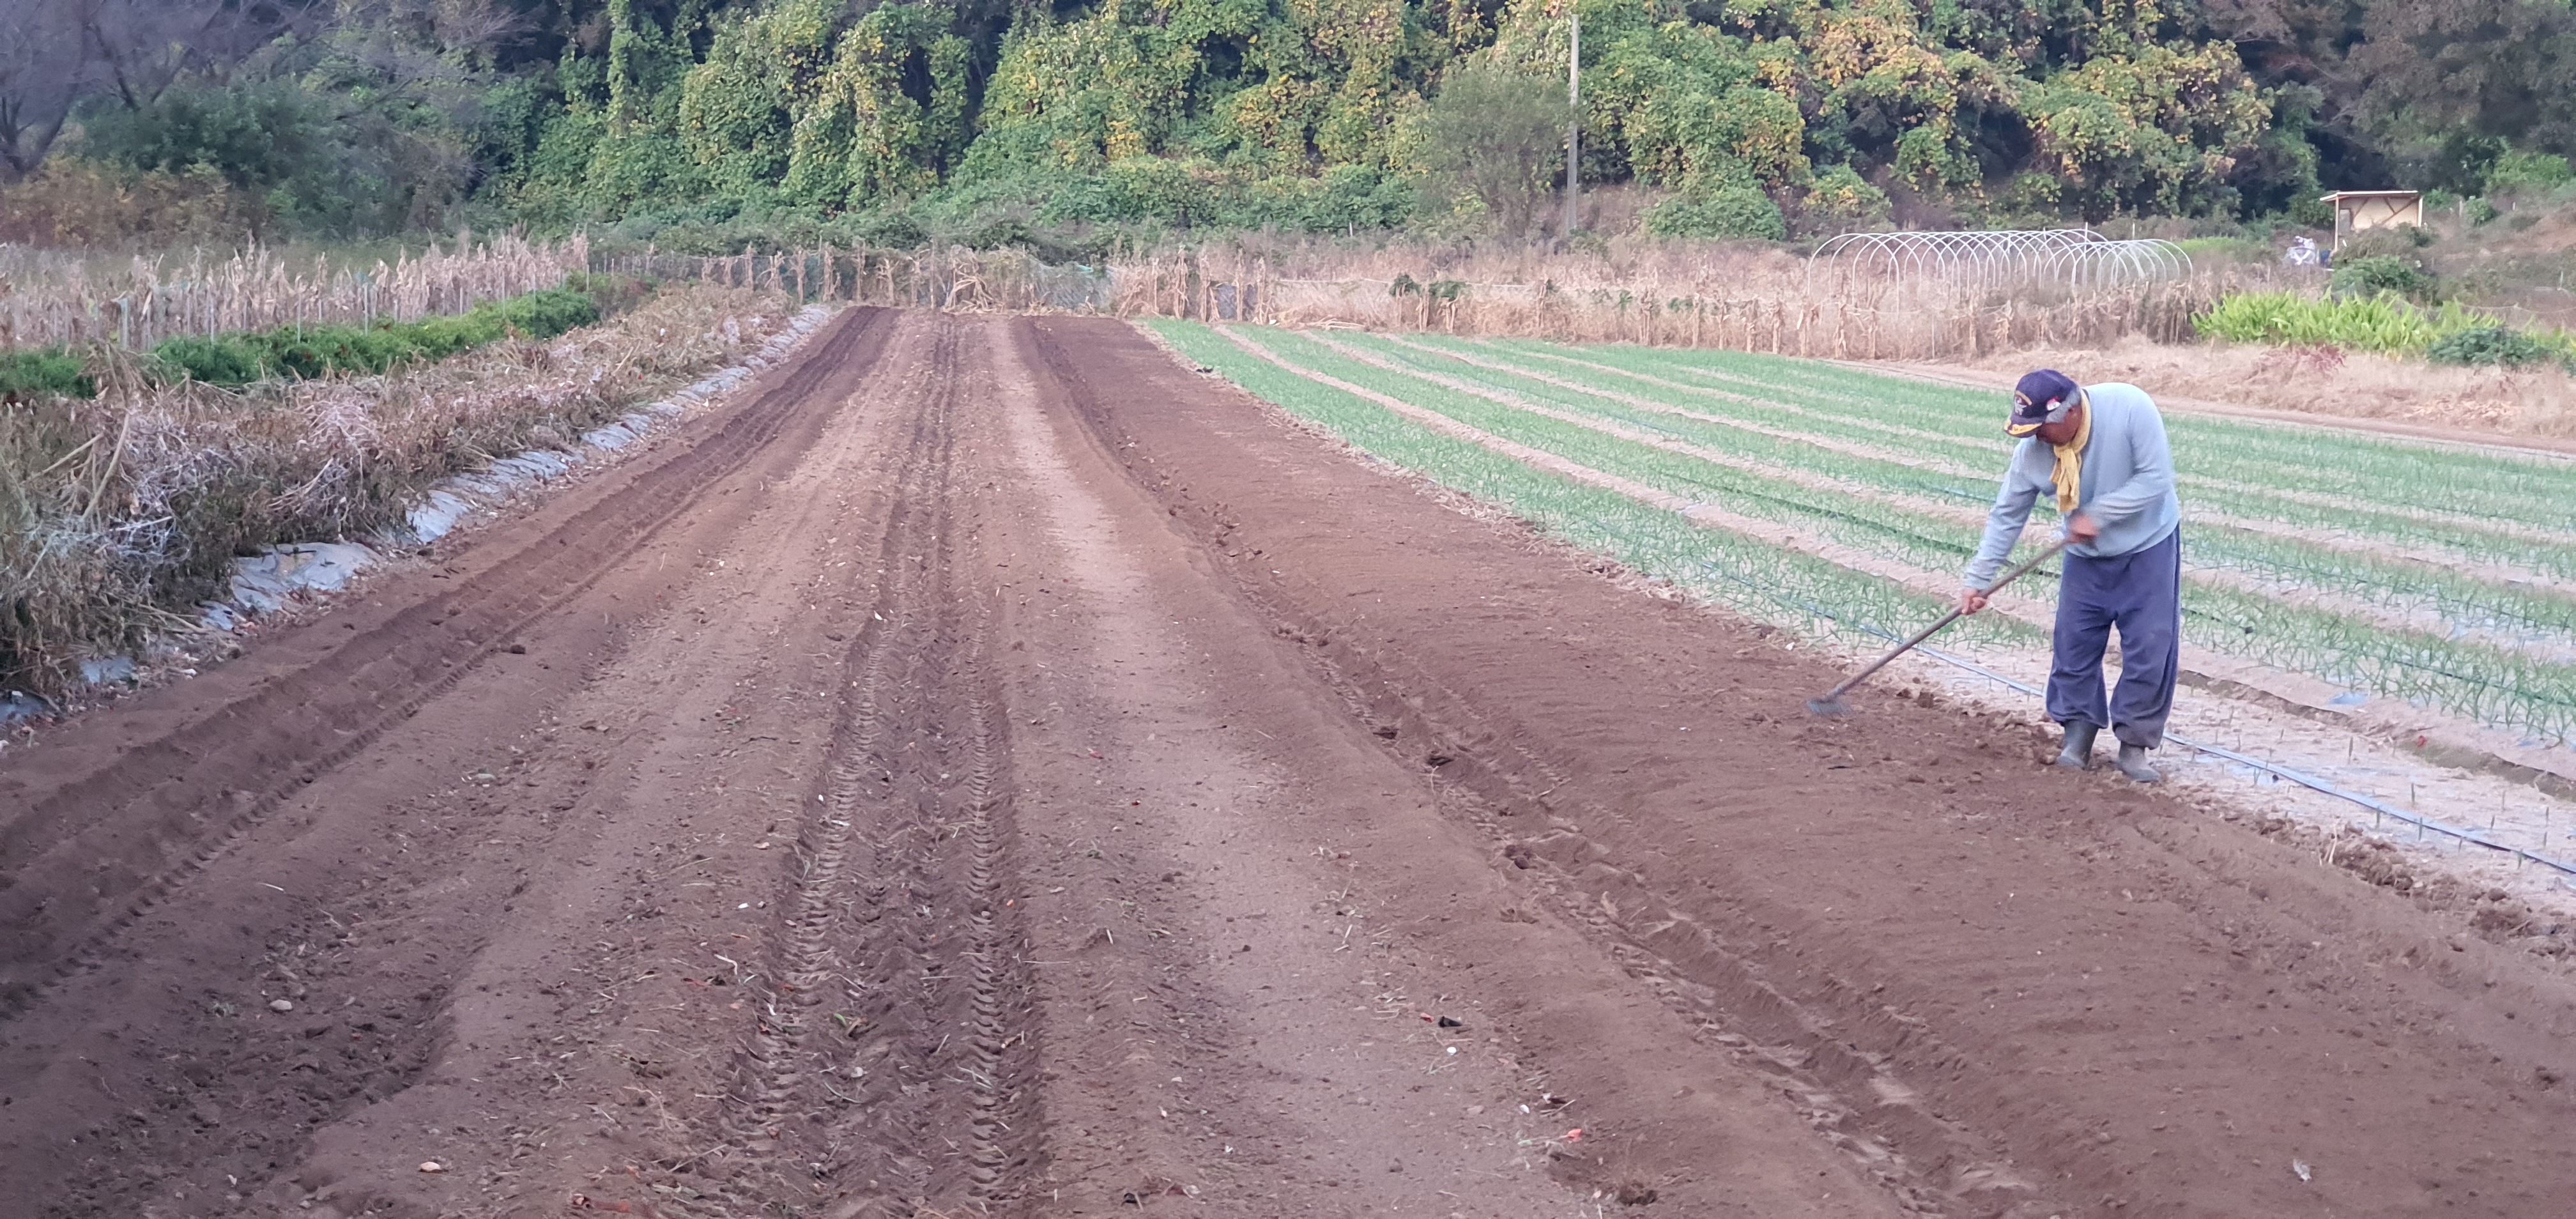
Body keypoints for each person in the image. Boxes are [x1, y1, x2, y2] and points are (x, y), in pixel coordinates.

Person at [1958, 369, 2182, 783]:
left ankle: (2134, 747)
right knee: (2074, 645)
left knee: (2150, 647)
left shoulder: (2130, 407)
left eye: (2042, 427)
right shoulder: (2033, 452)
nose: (2036, 437)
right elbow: (2007, 515)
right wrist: (1979, 580)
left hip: (2148, 545)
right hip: (2084, 556)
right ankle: (2077, 737)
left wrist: (2098, 515)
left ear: (2072, 412)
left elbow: (2156, 480)